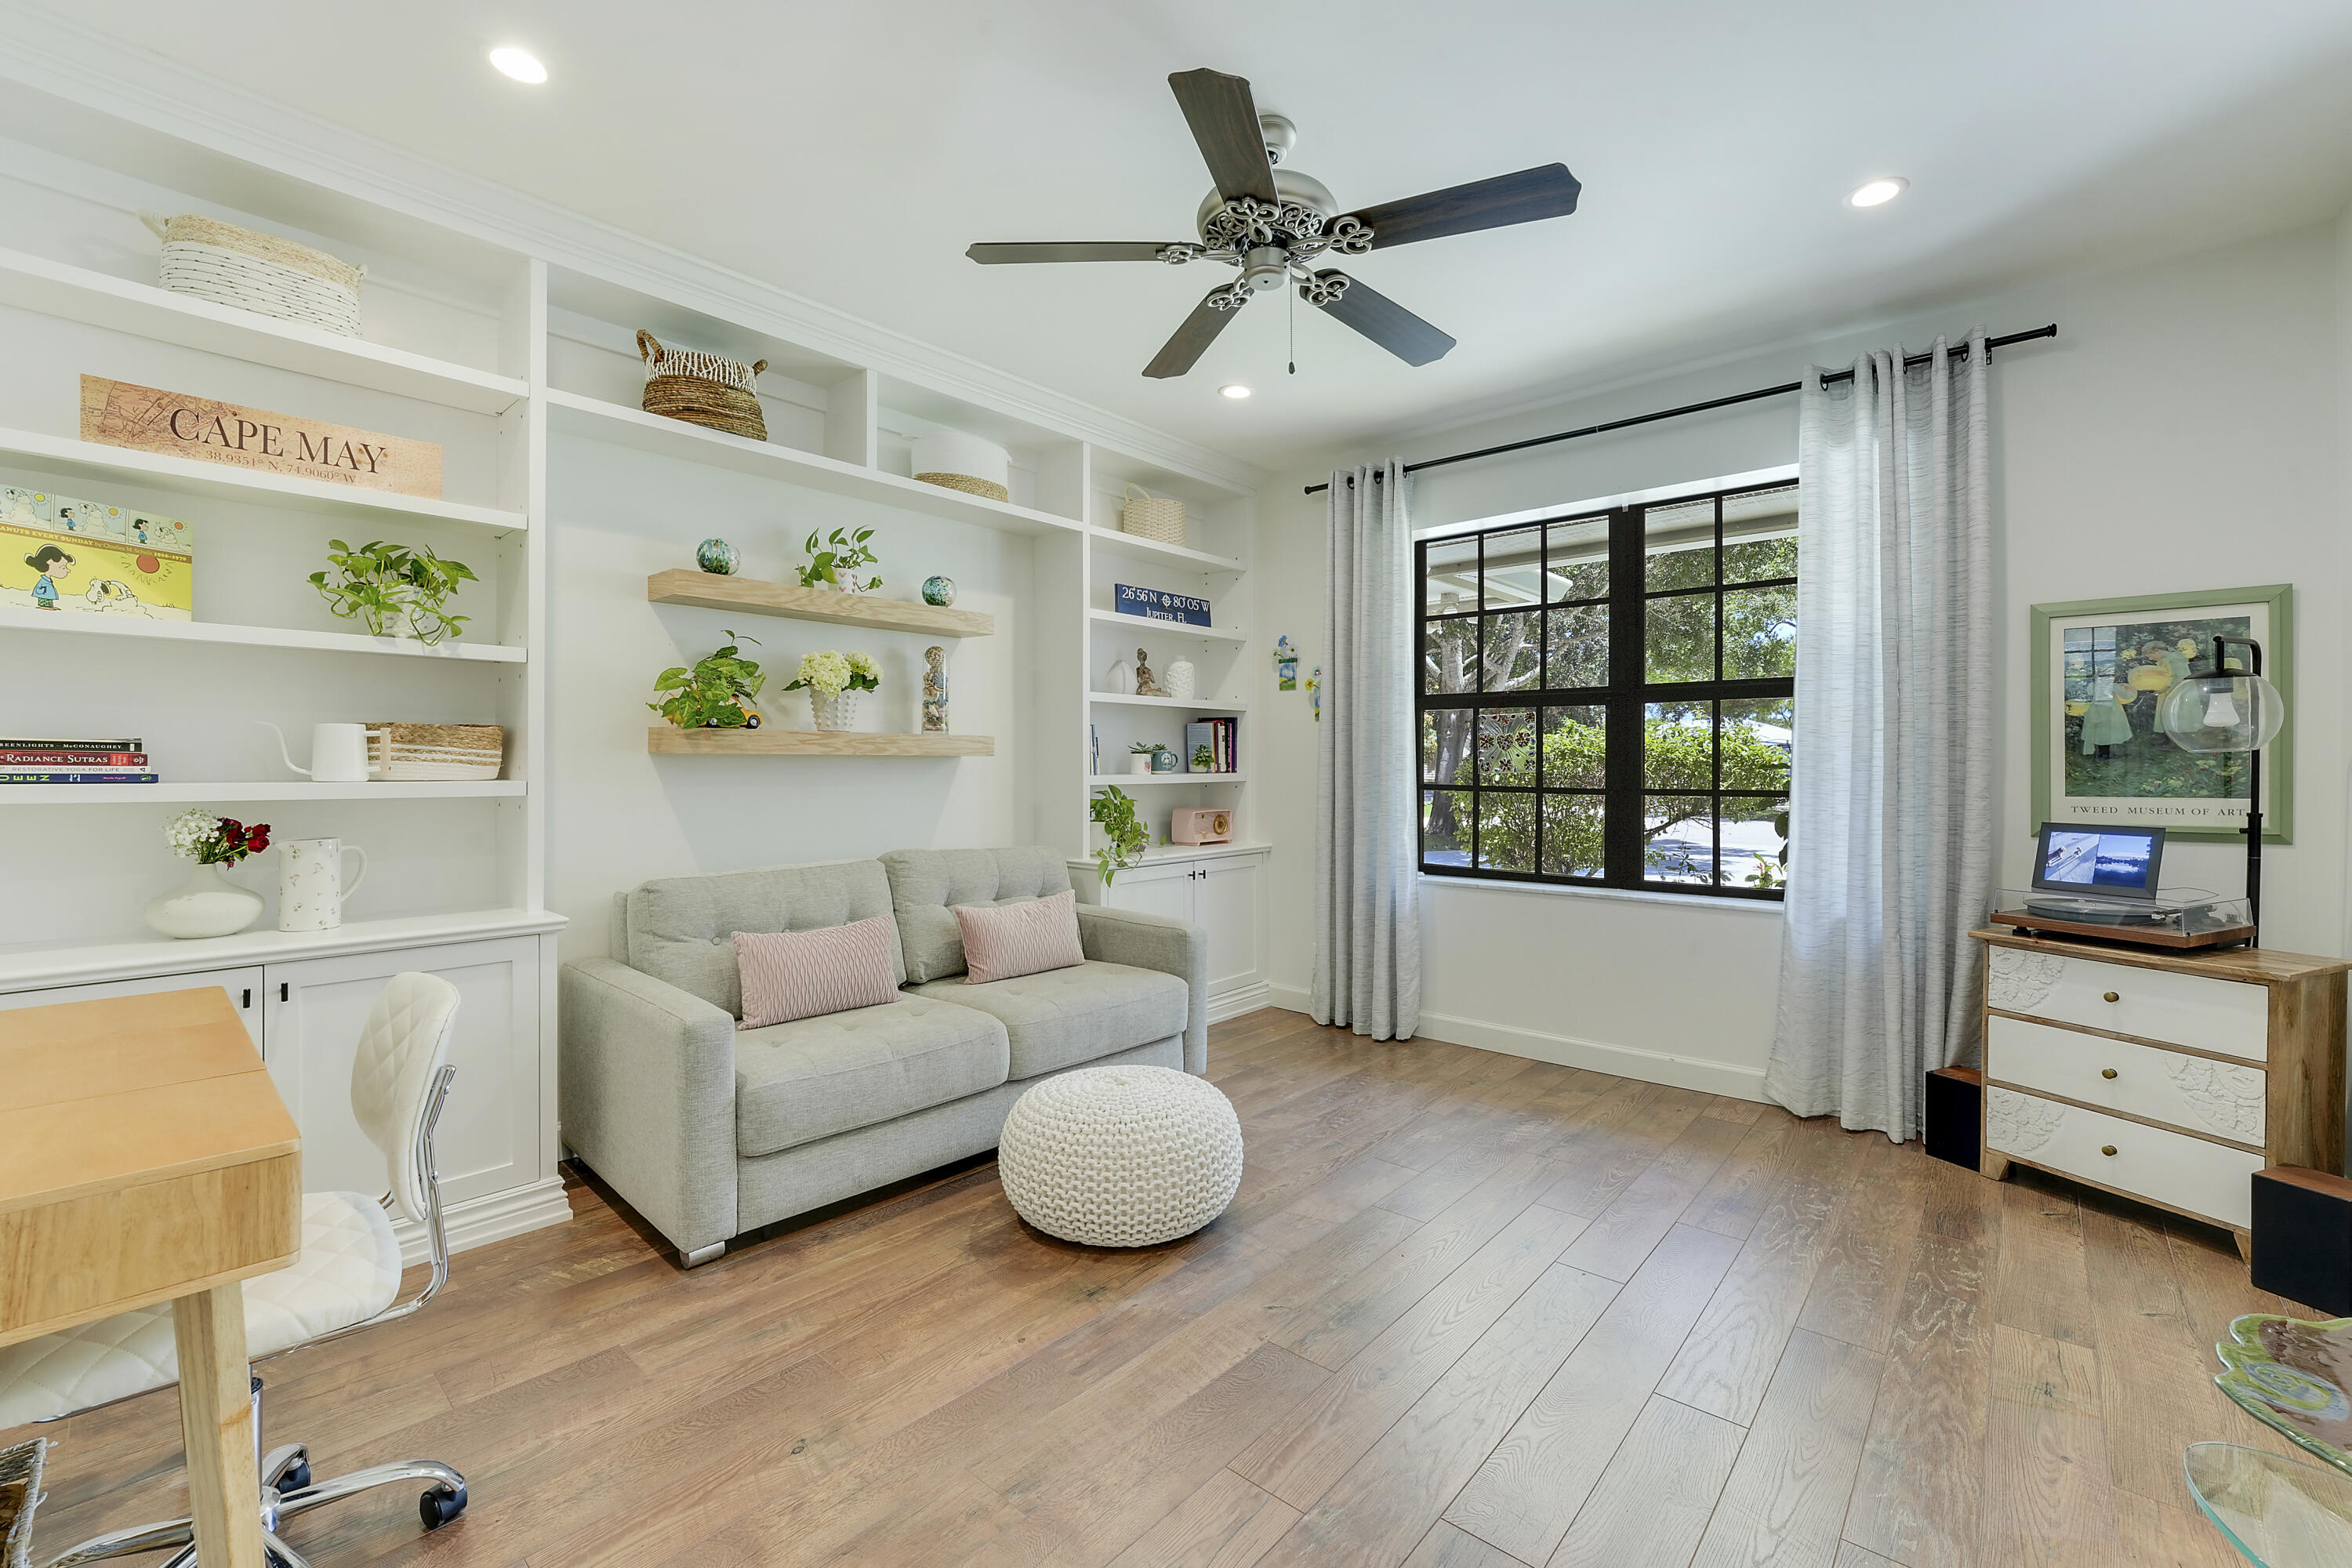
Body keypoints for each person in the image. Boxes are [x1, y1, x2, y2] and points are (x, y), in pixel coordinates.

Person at [2080, 662, 2135, 759]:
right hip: (2112, 710)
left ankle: (2103, 752)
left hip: (2096, 709)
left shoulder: (2094, 685)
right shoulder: (2113, 686)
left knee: (2100, 730)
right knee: (2110, 730)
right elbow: (2127, 695)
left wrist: (2095, 682)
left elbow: (2090, 692)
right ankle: (2107, 752)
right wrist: (2130, 689)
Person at [24, 543, 74, 610]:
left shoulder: (48, 581)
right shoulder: (44, 581)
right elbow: (39, 589)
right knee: (45, 600)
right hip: (43, 596)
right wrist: (41, 591)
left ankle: (50, 606)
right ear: (50, 562)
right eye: (62, 567)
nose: (68, 571)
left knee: (49, 599)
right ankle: (44, 606)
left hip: (46, 594)